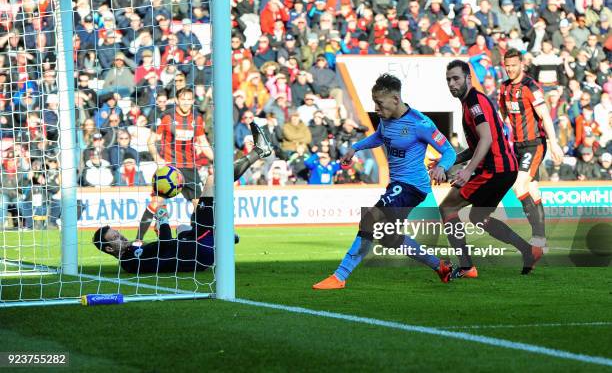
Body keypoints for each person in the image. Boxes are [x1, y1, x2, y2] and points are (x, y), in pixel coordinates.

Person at [312, 74, 457, 290]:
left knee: (370, 218)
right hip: (397, 185)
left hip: (412, 186)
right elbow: (380, 136)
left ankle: (340, 276)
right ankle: (440, 266)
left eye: (379, 103)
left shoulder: (421, 123)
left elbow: (448, 150)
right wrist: (355, 148)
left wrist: (441, 167)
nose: (376, 109)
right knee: (389, 238)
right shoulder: (386, 119)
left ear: (396, 99)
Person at [92, 123, 273, 273]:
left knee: (184, 226)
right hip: (201, 251)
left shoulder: (131, 251)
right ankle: (259, 151)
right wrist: (162, 219)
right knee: (213, 179)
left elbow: (164, 250)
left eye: (117, 232)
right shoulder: (130, 260)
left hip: (196, 248)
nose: (121, 235)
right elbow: (166, 246)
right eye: (115, 236)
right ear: (109, 248)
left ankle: (223, 237)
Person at [440, 60, 538, 279]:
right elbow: (477, 145)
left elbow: (486, 139)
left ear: (468, 78)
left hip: (495, 169)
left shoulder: (474, 102)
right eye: (448, 80)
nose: (451, 83)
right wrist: (450, 161)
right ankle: (528, 250)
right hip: (504, 169)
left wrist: (467, 171)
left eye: (456, 78)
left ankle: (466, 267)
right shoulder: (470, 103)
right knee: (478, 216)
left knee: (447, 208)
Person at [499, 49, 565, 255]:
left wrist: (554, 144)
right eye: (507, 65)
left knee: (519, 186)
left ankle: (536, 238)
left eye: (513, 65)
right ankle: (542, 240)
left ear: (521, 65)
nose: (510, 69)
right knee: (533, 190)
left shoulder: (531, 87)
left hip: (534, 144)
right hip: (517, 146)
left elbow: (545, 116)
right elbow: (503, 114)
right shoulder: (504, 88)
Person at [139, 87, 213, 241]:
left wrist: (217, 160)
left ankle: (197, 238)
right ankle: (138, 240)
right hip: (170, 169)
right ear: (177, 100)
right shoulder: (166, 117)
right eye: (183, 99)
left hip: (190, 168)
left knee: (199, 206)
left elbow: (203, 142)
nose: (186, 102)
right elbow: (151, 141)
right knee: (156, 202)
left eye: (189, 99)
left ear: (193, 101)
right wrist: (157, 158)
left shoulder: (197, 119)